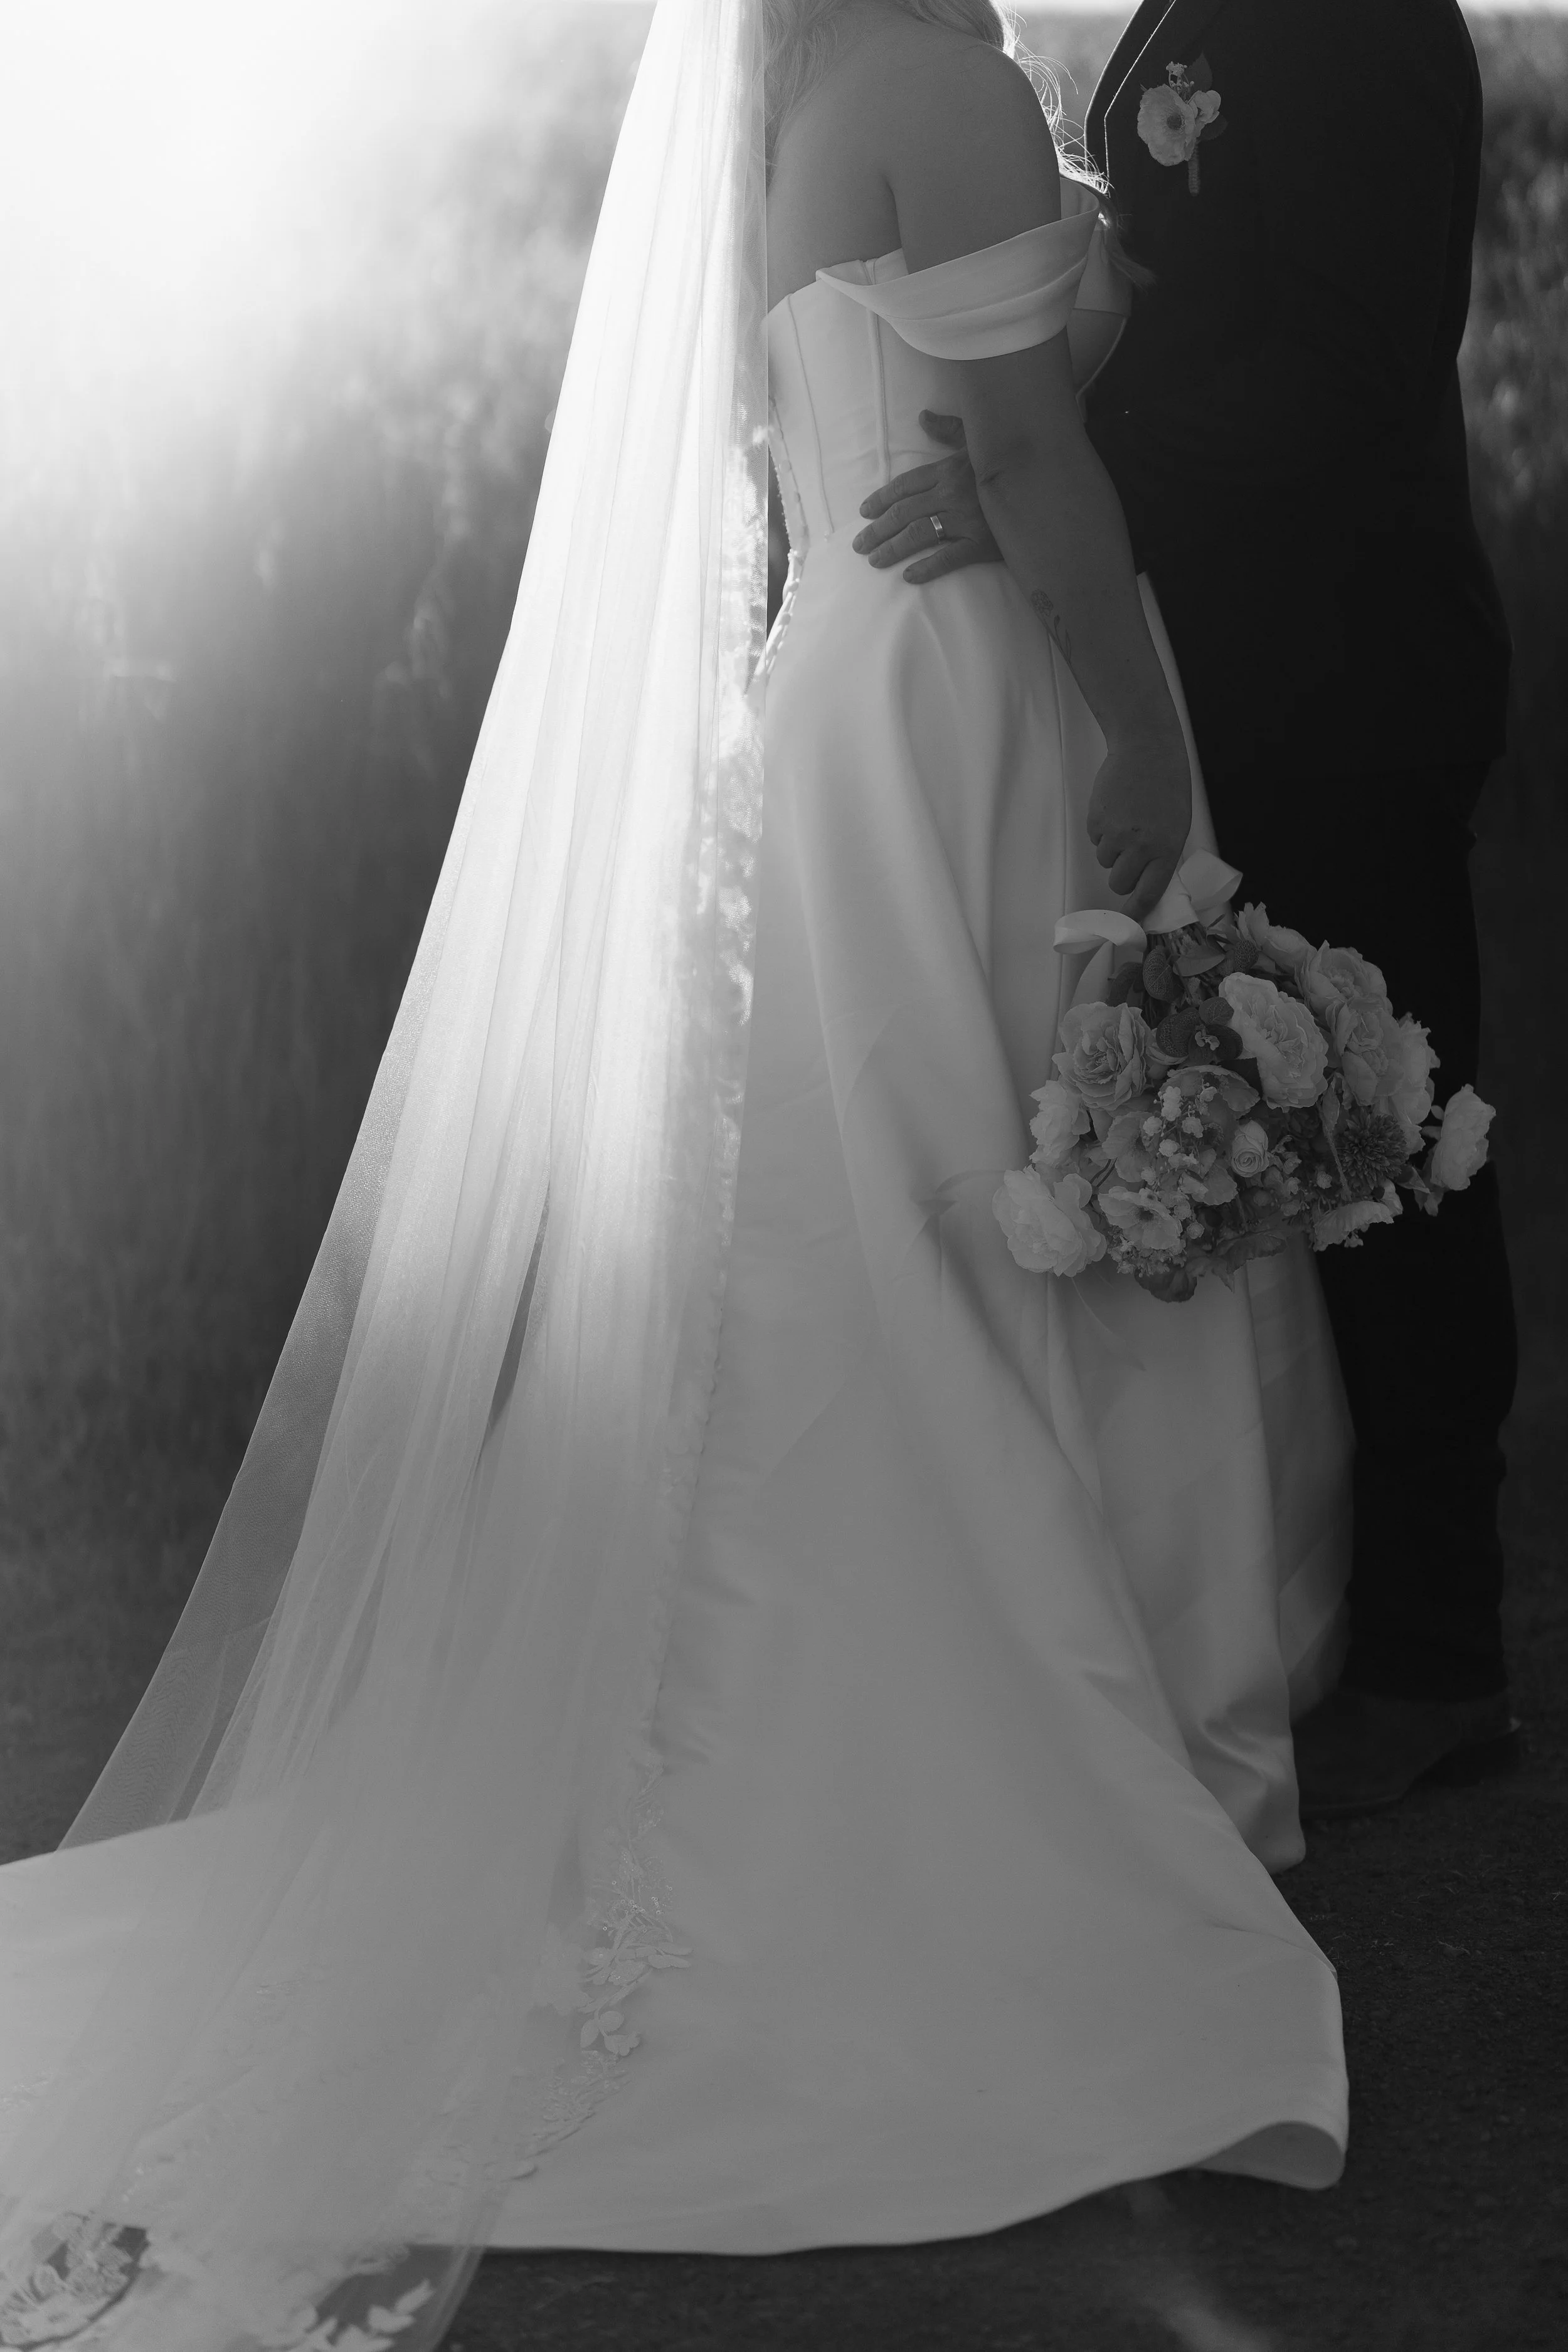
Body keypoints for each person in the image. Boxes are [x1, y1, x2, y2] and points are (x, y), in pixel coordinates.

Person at [0, 6, 1355, 2345]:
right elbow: (1019, 443)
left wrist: (980, 431)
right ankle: (1034, 1737)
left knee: (886, 1224)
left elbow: (886, 409)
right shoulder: (926, 90)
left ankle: (966, 1674)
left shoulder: (799, 97)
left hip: (854, 675)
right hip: (967, 693)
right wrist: (1132, 716)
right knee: (967, 1204)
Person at [855, 0, 1521, 1820]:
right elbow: (1193, 263)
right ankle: (1300, 1595)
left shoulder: (1372, 24)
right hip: (1214, 654)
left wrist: (1051, 480)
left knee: (1393, 1129)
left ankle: (1437, 1653)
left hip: (1344, 659)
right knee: (1272, 1108)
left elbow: (1343, 365)